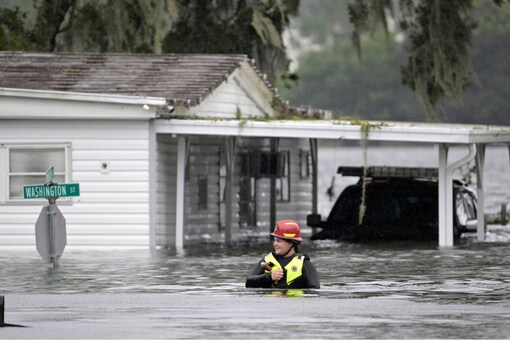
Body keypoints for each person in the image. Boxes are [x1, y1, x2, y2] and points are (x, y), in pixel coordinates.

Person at [245, 219, 320, 289]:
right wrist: (269, 277)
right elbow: (248, 282)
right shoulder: (267, 261)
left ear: (290, 243)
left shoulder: (304, 264)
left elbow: (315, 289)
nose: (275, 244)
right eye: (274, 240)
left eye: (279, 241)